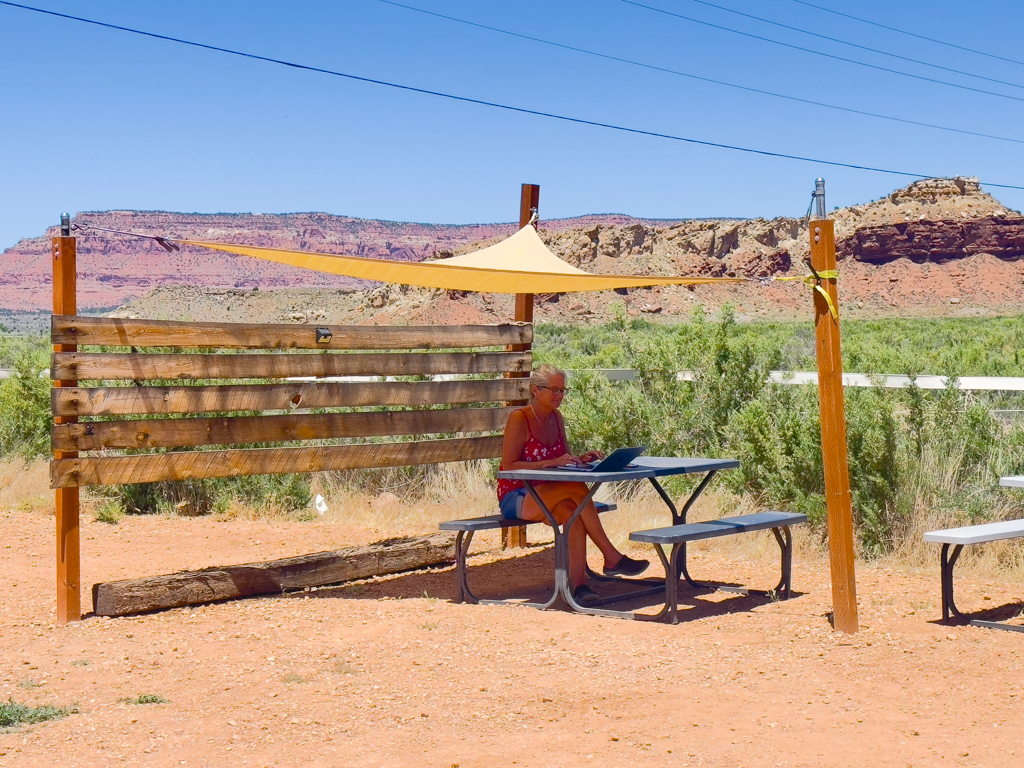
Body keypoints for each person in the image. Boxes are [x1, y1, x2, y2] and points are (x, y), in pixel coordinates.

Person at [497, 363, 649, 606]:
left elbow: (562, 458)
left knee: (573, 513)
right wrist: (551, 463)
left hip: (552, 492)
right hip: (518, 495)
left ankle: (578, 587)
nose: (560, 396)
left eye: (563, 391)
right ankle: (611, 556)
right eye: (554, 390)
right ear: (535, 390)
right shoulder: (519, 418)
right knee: (576, 489)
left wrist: (578, 459)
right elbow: (509, 466)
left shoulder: (556, 418)